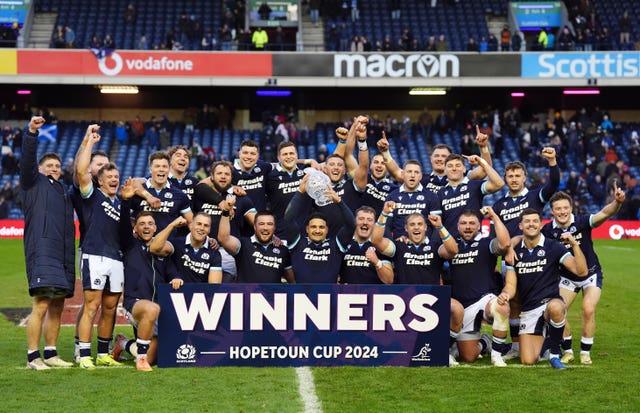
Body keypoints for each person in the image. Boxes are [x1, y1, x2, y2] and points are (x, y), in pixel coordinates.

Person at [543, 186, 626, 365]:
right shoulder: (548, 231)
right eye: (558, 208)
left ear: (571, 208)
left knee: (588, 309)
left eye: (565, 207)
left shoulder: (582, 221)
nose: (562, 211)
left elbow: (604, 213)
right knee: (557, 311)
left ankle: (585, 353)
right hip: (566, 277)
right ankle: (568, 350)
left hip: (591, 274)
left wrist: (617, 202)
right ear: (552, 211)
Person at [372, 202, 462, 366]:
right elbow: (376, 240)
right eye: (412, 224)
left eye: (420, 224)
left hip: (432, 300)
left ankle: (446, 349)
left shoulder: (435, 246)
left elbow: (453, 250)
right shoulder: (399, 246)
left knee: (457, 310)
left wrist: (440, 226)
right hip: (405, 301)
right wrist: (384, 213)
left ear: (426, 227)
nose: (416, 228)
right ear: (405, 228)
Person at [500, 208, 588, 369]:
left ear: (541, 225)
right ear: (521, 226)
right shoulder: (514, 251)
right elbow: (511, 285)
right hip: (528, 310)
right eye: (527, 221)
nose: (531, 224)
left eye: (535, 221)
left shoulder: (553, 247)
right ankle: (547, 339)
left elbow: (581, 271)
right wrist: (505, 294)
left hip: (550, 303)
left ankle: (555, 354)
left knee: (556, 308)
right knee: (528, 360)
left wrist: (574, 244)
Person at [20, 116, 75, 370]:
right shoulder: (33, 182)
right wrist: (32, 133)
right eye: (50, 165)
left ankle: (51, 353)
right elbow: (28, 160)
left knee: (58, 304)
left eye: (57, 165)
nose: (54, 168)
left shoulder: (64, 190)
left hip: (62, 252)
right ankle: (33, 356)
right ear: (40, 169)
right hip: (41, 250)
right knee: (41, 302)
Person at [73, 125, 124, 369]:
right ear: (100, 181)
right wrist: (89, 142)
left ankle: (103, 353)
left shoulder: (122, 204)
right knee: (91, 306)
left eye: (116, 177)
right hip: (94, 256)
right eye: (109, 177)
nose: (114, 180)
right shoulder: (91, 195)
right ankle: (84, 355)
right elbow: (81, 170)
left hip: (117, 258)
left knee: (110, 308)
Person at [111, 205, 182, 371]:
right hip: (134, 303)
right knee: (150, 309)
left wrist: (177, 278)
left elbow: (173, 272)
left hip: (157, 308)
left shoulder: (162, 251)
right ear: (135, 228)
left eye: (150, 223)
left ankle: (122, 342)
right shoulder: (130, 245)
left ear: (155, 228)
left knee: (154, 358)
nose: (146, 226)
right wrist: (126, 200)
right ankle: (140, 359)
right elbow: (122, 225)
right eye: (142, 223)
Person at [439, 207, 511, 366]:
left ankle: (497, 355)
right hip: (462, 307)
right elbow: (441, 252)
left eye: (472, 223)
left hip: (484, 299)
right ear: (458, 227)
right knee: (468, 356)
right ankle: (486, 342)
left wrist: (494, 216)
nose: (468, 226)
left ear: (479, 226)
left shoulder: (487, 243)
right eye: (463, 223)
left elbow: (505, 244)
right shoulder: (452, 247)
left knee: (501, 308)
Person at [282, 173, 355, 283]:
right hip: (301, 297)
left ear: (327, 230)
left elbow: (351, 225)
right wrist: (300, 192)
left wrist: (339, 201)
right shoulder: (297, 243)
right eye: (313, 227)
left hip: (329, 298)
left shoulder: (335, 244)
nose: (317, 230)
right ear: (307, 229)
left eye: (321, 227)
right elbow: (288, 219)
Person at [218, 201, 295, 283]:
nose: (265, 227)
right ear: (254, 226)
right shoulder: (243, 244)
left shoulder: (283, 250)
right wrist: (226, 212)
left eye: (269, 224)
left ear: (274, 227)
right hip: (247, 295)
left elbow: (293, 282)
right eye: (261, 224)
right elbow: (223, 239)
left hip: (272, 295)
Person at [493, 148, 559, 236]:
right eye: (510, 176)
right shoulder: (498, 205)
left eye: (517, 176)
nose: (514, 180)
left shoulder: (536, 196)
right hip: (509, 249)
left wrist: (552, 160)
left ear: (524, 178)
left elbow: (554, 183)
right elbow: (494, 235)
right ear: (505, 179)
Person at [437, 153, 504, 237]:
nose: (454, 169)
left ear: (464, 169)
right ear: (445, 170)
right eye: (450, 166)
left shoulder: (474, 185)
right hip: (452, 243)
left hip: (477, 240)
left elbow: (499, 184)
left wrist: (482, 163)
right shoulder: (440, 193)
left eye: (458, 165)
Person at [129, 151, 193, 234]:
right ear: (150, 169)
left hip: (168, 245)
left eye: (164, 166)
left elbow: (191, 222)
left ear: (169, 169)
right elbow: (124, 217)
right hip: (140, 244)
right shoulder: (137, 192)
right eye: (157, 166)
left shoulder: (180, 195)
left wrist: (206, 239)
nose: (161, 169)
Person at [150, 213, 223, 284]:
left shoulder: (214, 252)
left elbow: (214, 287)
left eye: (206, 225)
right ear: (191, 225)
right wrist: (171, 225)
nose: (202, 228)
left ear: (210, 229)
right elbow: (154, 248)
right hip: (175, 293)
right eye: (199, 224)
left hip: (200, 295)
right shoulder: (177, 243)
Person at [383, 160, 441, 239]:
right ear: (403, 174)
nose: (412, 175)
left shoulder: (431, 196)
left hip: (425, 248)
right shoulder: (391, 197)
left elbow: (437, 228)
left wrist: (431, 246)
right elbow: (386, 227)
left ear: (420, 176)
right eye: (409, 172)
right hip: (400, 246)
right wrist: (393, 246)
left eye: (416, 172)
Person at [339, 206, 393, 284]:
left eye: (369, 220)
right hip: (346, 294)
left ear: (375, 224)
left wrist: (377, 262)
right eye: (361, 219)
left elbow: (389, 280)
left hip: (372, 294)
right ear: (354, 222)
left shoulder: (380, 246)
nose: (365, 222)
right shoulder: (343, 242)